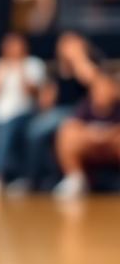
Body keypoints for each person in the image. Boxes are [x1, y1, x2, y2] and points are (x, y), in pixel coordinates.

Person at [22, 32, 101, 191]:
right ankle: (41, 177)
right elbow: (46, 103)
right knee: (35, 129)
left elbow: (95, 87)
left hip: (82, 112)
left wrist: (78, 57)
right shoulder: (57, 71)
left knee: (39, 129)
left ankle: (40, 178)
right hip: (59, 113)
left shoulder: (88, 64)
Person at [0, 33, 47, 200]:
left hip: (25, 113)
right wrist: (0, 74)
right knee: (3, 131)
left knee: (9, 130)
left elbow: (35, 93)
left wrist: (21, 70)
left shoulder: (33, 64)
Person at [53, 72, 120, 200]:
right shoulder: (85, 106)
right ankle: (75, 179)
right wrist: (91, 134)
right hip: (90, 145)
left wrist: (109, 134)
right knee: (66, 133)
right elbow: (72, 125)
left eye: (105, 87)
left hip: (112, 146)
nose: (101, 92)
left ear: (114, 89)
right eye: (98, 88)